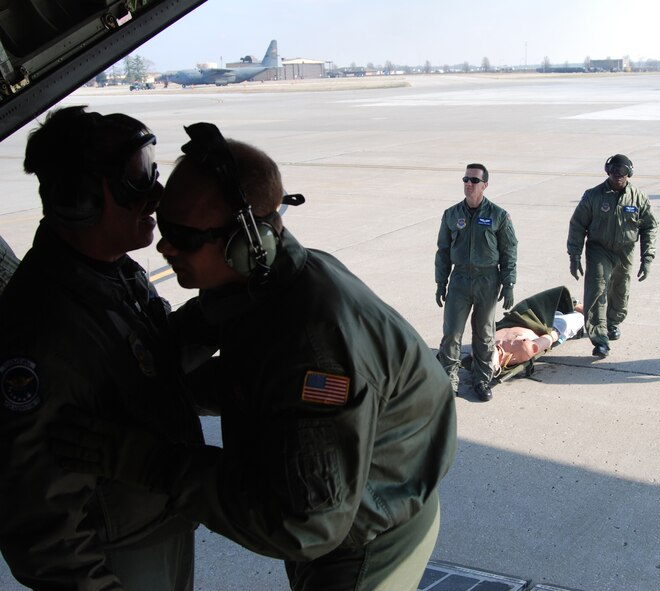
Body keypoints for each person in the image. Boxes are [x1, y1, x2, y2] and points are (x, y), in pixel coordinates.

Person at [54, 123, 458, 590]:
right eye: (165, 228)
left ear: (248, 244)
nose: (164, 248)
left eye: (183, 238)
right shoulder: (264, 279)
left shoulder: (313, 348)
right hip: (349, 504)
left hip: (366, 541)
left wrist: (151, 463)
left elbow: (303, 525)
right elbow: (220, 355)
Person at [0, 106, 203, 590]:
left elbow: (151, 364)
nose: (156, 195)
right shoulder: (40, 333)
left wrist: (227, 309)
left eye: (152, 174)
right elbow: (43, 529)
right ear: (79, 201)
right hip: (116, 560)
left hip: (157, 525)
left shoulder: (111, 273)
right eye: (134, 183)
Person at [435, 163, 518, 402]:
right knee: (451, 333)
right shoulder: (452, 215)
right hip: (459, 279)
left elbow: (509, 250)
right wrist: (441, 282)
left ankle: (482, 379)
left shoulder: (498, 216)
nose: (468, 184)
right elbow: (442, 251)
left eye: (473, 181)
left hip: (487, 279)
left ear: (485, 185)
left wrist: (509, 282)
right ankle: (449, 379)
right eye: (465, 179)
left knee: (484, 334)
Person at [566, 154, 659, 358]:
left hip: (625, 250)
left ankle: (613, 322)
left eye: (622, 172)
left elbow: (650, 227)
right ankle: (600, 339)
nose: (617, 176)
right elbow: (578, 225)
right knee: (596, 290)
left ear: (629, 174)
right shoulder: (593, 196)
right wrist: (574, 255)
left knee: (620, 289)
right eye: (613, 172)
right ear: (607, 172)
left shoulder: (638, 198)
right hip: (599, 249)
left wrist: (647, 258)